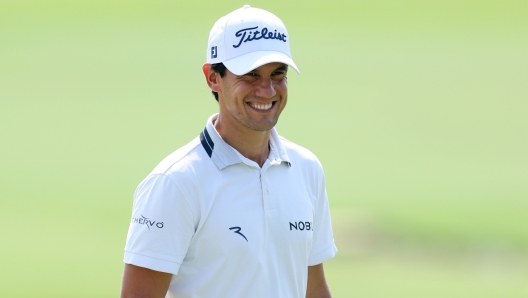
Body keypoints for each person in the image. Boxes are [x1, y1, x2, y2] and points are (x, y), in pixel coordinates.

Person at [121, 5, 337, 298]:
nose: (268, 90)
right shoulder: (174, 183)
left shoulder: (306, 169)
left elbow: (313, 287)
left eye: (278, 73)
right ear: (212, 77)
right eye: (250, 75)